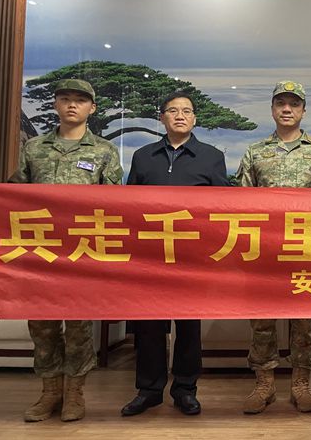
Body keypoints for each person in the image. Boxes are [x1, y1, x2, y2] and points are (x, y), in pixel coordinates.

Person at [8, 78, 123, 422]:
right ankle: (49, 392)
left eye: (80, 100)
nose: (72, 105)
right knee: (42, 324)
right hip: (40, 252)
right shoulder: (34, 148)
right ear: (56, 104)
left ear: (92, 108)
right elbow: (15, 194)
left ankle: (75, 392)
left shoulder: (104, 151)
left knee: (78, 326)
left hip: (81, 252)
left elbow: (117, 202)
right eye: (66, 99)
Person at [120, 91, 230, 417]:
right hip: (150, 256)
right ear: (162, 117)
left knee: (188, 326)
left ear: (195, 119)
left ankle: (185, 389)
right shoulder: (143, 156)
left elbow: (225, 207)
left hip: (191, 257)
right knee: (149, 326)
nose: (180, 115)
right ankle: (149, 390)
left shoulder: (211, 157)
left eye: (186, 111)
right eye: (173, 110)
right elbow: (127, 206)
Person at [236, 80, 311, 414]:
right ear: (272, 109)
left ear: (303, 110)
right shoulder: (255, 152)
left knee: (303, 322)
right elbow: (240, 203)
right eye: (281, 103)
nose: (287, 109)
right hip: (263, 251)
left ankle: (300, 384)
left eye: (294, 104)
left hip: (305, 248)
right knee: (262, 321)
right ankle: (264, 384)